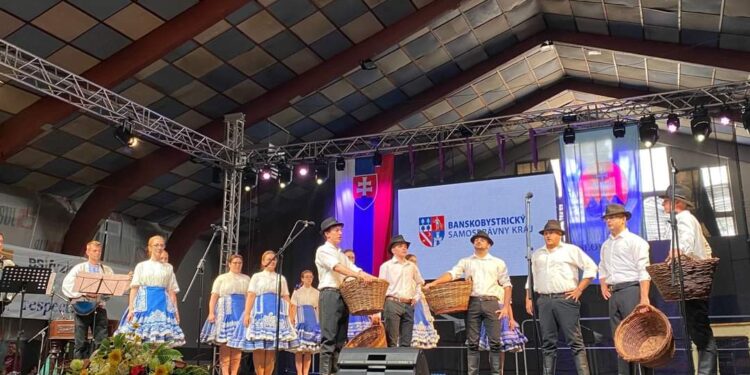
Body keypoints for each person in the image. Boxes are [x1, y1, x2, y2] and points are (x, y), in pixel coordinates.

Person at [425, 230, 513, 375]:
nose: (478, 241)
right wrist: (434, 283)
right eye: (476, 239)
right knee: (472, 343)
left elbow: (507, 285)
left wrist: (505, 307)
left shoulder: (498, 262)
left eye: (482, 239)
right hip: (473, 303)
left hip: (492, 303)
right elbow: (452, 274)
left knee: (495, 343)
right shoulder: (466, 261)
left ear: (489, 245)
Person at [525, 220, 597, 375]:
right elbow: (531, 277)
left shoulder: (570, 250)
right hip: (544, 300)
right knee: (548, 343)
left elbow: (591, 267)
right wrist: (528, 297)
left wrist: (579, 289)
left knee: (575, 342)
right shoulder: (537, 254)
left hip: (565, 299)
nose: (548, 236)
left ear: (559, 234)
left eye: (551, 232)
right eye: (545, 233)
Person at [660, 184, 717, 374]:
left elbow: (684, 245)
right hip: (692, 279)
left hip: (692, 279)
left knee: (699, 329)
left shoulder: (683, 219)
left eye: (666, 201)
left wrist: (676, 253)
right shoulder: (685, 220)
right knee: (697, 328)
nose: (663, 205)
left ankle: (705, 372)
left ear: (677, 202)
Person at [315, 217, 378, 375]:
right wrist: (358, 277)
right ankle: (324, 372)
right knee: (329, 337)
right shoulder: (323, 250)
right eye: (336, 230)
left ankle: (336, 371)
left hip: (343, 295)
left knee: (341, 339)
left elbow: (355, 268)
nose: (340, 233)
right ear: (327, 234)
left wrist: (372, 278)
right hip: (329, 293)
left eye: (340, 230)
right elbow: (337, 268)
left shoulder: (340, 253)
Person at [598, 203, 653, 375]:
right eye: (607, 218)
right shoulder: (606, 245)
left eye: (613, 217)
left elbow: (644, 270)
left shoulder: (635, 242)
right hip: (615, 293)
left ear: (623, 219)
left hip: (631, 290)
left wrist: (644, 297)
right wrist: (603, 285)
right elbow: (602, 267)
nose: (609, 220)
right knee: (619, 340)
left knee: (638, 337)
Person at [228, 250, 297, 375]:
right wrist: (247, 314)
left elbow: (286, 297)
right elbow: (251, 295)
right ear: (263, 261)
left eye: (274, 259)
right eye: (268, 259)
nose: (272, 261)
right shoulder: (257, 276)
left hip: (276, 314)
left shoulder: (280, 278)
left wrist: (290, 316)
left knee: (271, 349)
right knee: (259, 347)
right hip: (259, 313)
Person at [115, 235, 185, 346]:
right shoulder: (142, 266)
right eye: (156, 245)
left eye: (162, 245)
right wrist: (131, 309)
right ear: (150, 247)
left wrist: (176, 311)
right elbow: (134, 288)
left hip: (162, 305)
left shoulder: (168, 268)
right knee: (140, 338)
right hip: (145, 304)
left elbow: (171, 291)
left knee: (160, 340)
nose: (159, 247)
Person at [62, 240, 114, 358]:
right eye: (94, 251)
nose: (97, 253)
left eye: (99, 251)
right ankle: (79, 369)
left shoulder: (106, 270)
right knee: (80, 343)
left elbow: (110, 291)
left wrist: (102, 293)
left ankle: (98, 369)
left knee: (101, 343)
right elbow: (67, 286)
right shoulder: (79, 269)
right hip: (82, 307)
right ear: (88, 252)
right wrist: (85, 292)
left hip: (99, 308)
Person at [200, 254, 250, 375]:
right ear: (229, 264)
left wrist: (249, 313)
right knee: (225, 344)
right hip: (225, 311)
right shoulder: (222, 278)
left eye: (240, 263)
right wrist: (211, 312)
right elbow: (214, 297)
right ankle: (225, 372)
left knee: (237, 345)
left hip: (240, 311)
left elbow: (249, 297)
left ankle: (234, 372)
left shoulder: (246, 279)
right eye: (235, 263)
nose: (237, 265)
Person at [378, 235, 424, 347]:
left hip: (408, 304)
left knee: (406, 341)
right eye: (400, 246)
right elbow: (381, 288)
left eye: (405, 246)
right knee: (392, 340)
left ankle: (404, 364)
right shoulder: (386, 266)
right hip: (393, 302)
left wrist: (416, 297)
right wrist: (378, 312)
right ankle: (392, 364)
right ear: (393, 250)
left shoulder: (411, 266)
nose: (404, 248)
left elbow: (420, 282)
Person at [405, 254, 440, 349]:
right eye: (412, 261)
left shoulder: (417, 275)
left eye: (415, 261)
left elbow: (419, 286)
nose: (414, 263)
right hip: (408, 304)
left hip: (418, 305)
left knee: (418, 336)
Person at [290, 270, 320, 375]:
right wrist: (291, 320)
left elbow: (318, 308)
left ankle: (306, 372)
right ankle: (299, 372)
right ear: (302, 278)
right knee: (299, 349)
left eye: (310, 277)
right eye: (306, 277)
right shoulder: (297, 292)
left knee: (308, 349)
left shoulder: (317, 292)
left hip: (311, 320)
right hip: (300, 319)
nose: (309, 279)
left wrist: (319, 323)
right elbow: (293, 306)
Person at [343, 249, 373, 340]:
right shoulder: (340, 273)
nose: (351, 259)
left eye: (353, 257)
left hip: (359, 308)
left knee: (361, 338)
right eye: (348, 257)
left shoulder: (359, 273)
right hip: (345, 306)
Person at [0, 232, 16, 316]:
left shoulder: (8, 262)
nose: (0, 244)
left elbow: (15, 282)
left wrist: (8, 297)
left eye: (2, 242)